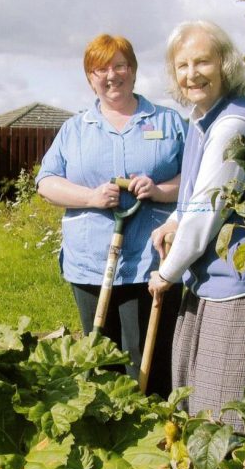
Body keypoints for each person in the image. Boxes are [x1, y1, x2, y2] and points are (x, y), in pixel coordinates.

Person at [36, 34, 187, 397]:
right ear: (90, 78)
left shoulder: (168, 123)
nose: (111, 75)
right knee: (100, 356)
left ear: (133, 70)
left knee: (148, 358)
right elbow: (46, 181)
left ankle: (152, 435)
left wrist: (159, 190)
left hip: (152, 260)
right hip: (91, 262)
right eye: (100, 69)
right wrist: (89, 196)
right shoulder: (75, 129)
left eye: (119, 65)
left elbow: (197, 179)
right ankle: (106, 431)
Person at [148, 20, 245, 429]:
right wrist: (172, 220)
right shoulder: (203, 118)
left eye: (202, 62)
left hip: (237, 287)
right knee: (195, 391)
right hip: (209, 281)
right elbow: (197, 194)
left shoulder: (233, 125)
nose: (191, 73)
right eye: (182, 65)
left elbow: (208, 213)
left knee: (222, 407)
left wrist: (166, 272)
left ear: (225, 65)